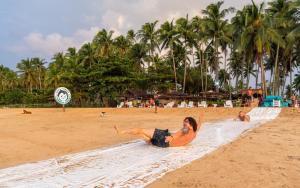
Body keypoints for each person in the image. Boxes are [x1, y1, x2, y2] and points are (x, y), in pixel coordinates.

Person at [114, 113, 203, 148]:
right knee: (149, 140)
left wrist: (171, 137)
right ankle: (141, 135)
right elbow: (198, 126)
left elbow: (178, 133)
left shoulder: (185, 130)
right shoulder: (194, 133)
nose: (184, 123)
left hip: (165, 137)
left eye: (186, 122)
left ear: (191, 125)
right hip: (164, 145)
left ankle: (121, 132)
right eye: (184, 121)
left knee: (141, 130)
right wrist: (201, 118)